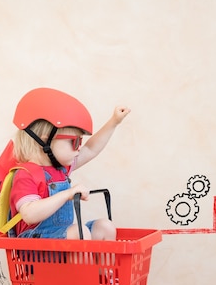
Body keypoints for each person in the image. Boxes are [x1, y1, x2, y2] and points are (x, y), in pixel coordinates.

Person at [9, 87, 130, 241]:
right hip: (35, 247)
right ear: (45, 141)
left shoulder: (61, 169)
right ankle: (85, 266)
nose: (79, 147)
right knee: (80, 232)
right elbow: (29, 214)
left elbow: (91, 149)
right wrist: (66, 194)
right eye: (75, 142)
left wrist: (114, 122)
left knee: (104, 226)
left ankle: (101, 266)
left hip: (60, 239)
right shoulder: (25, 174)